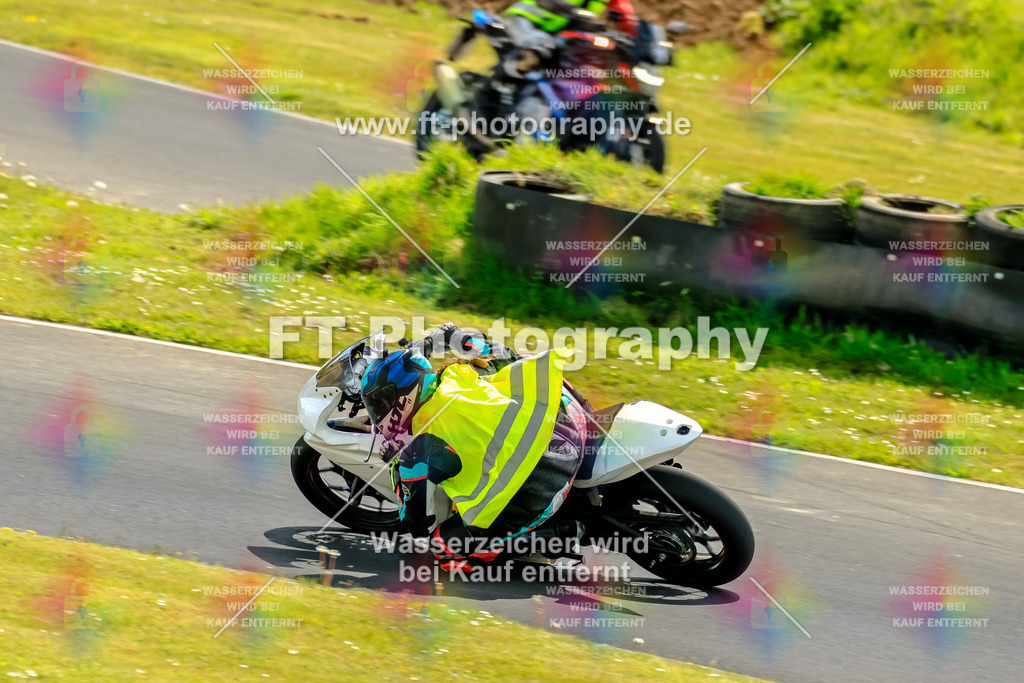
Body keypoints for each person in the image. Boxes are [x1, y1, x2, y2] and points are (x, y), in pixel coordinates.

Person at [359, 323, 590, 571]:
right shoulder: (456, 373)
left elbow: (417, 525)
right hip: (567, 423)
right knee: (520, 363)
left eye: (379, 404)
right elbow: (503, 353)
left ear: (401, 396)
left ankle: (557, 533)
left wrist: (395, 465)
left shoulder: (418, 446)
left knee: (440, 548)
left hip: (544, 486)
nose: (376, 413)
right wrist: (451, 336)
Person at [501, 0, 641, 78]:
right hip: (525, 19)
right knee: (539, 49)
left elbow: (581, 22)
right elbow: (547, 2)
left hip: (551, 33)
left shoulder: (599, 3)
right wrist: (573, 11)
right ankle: (507, 77)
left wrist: (611, 35)